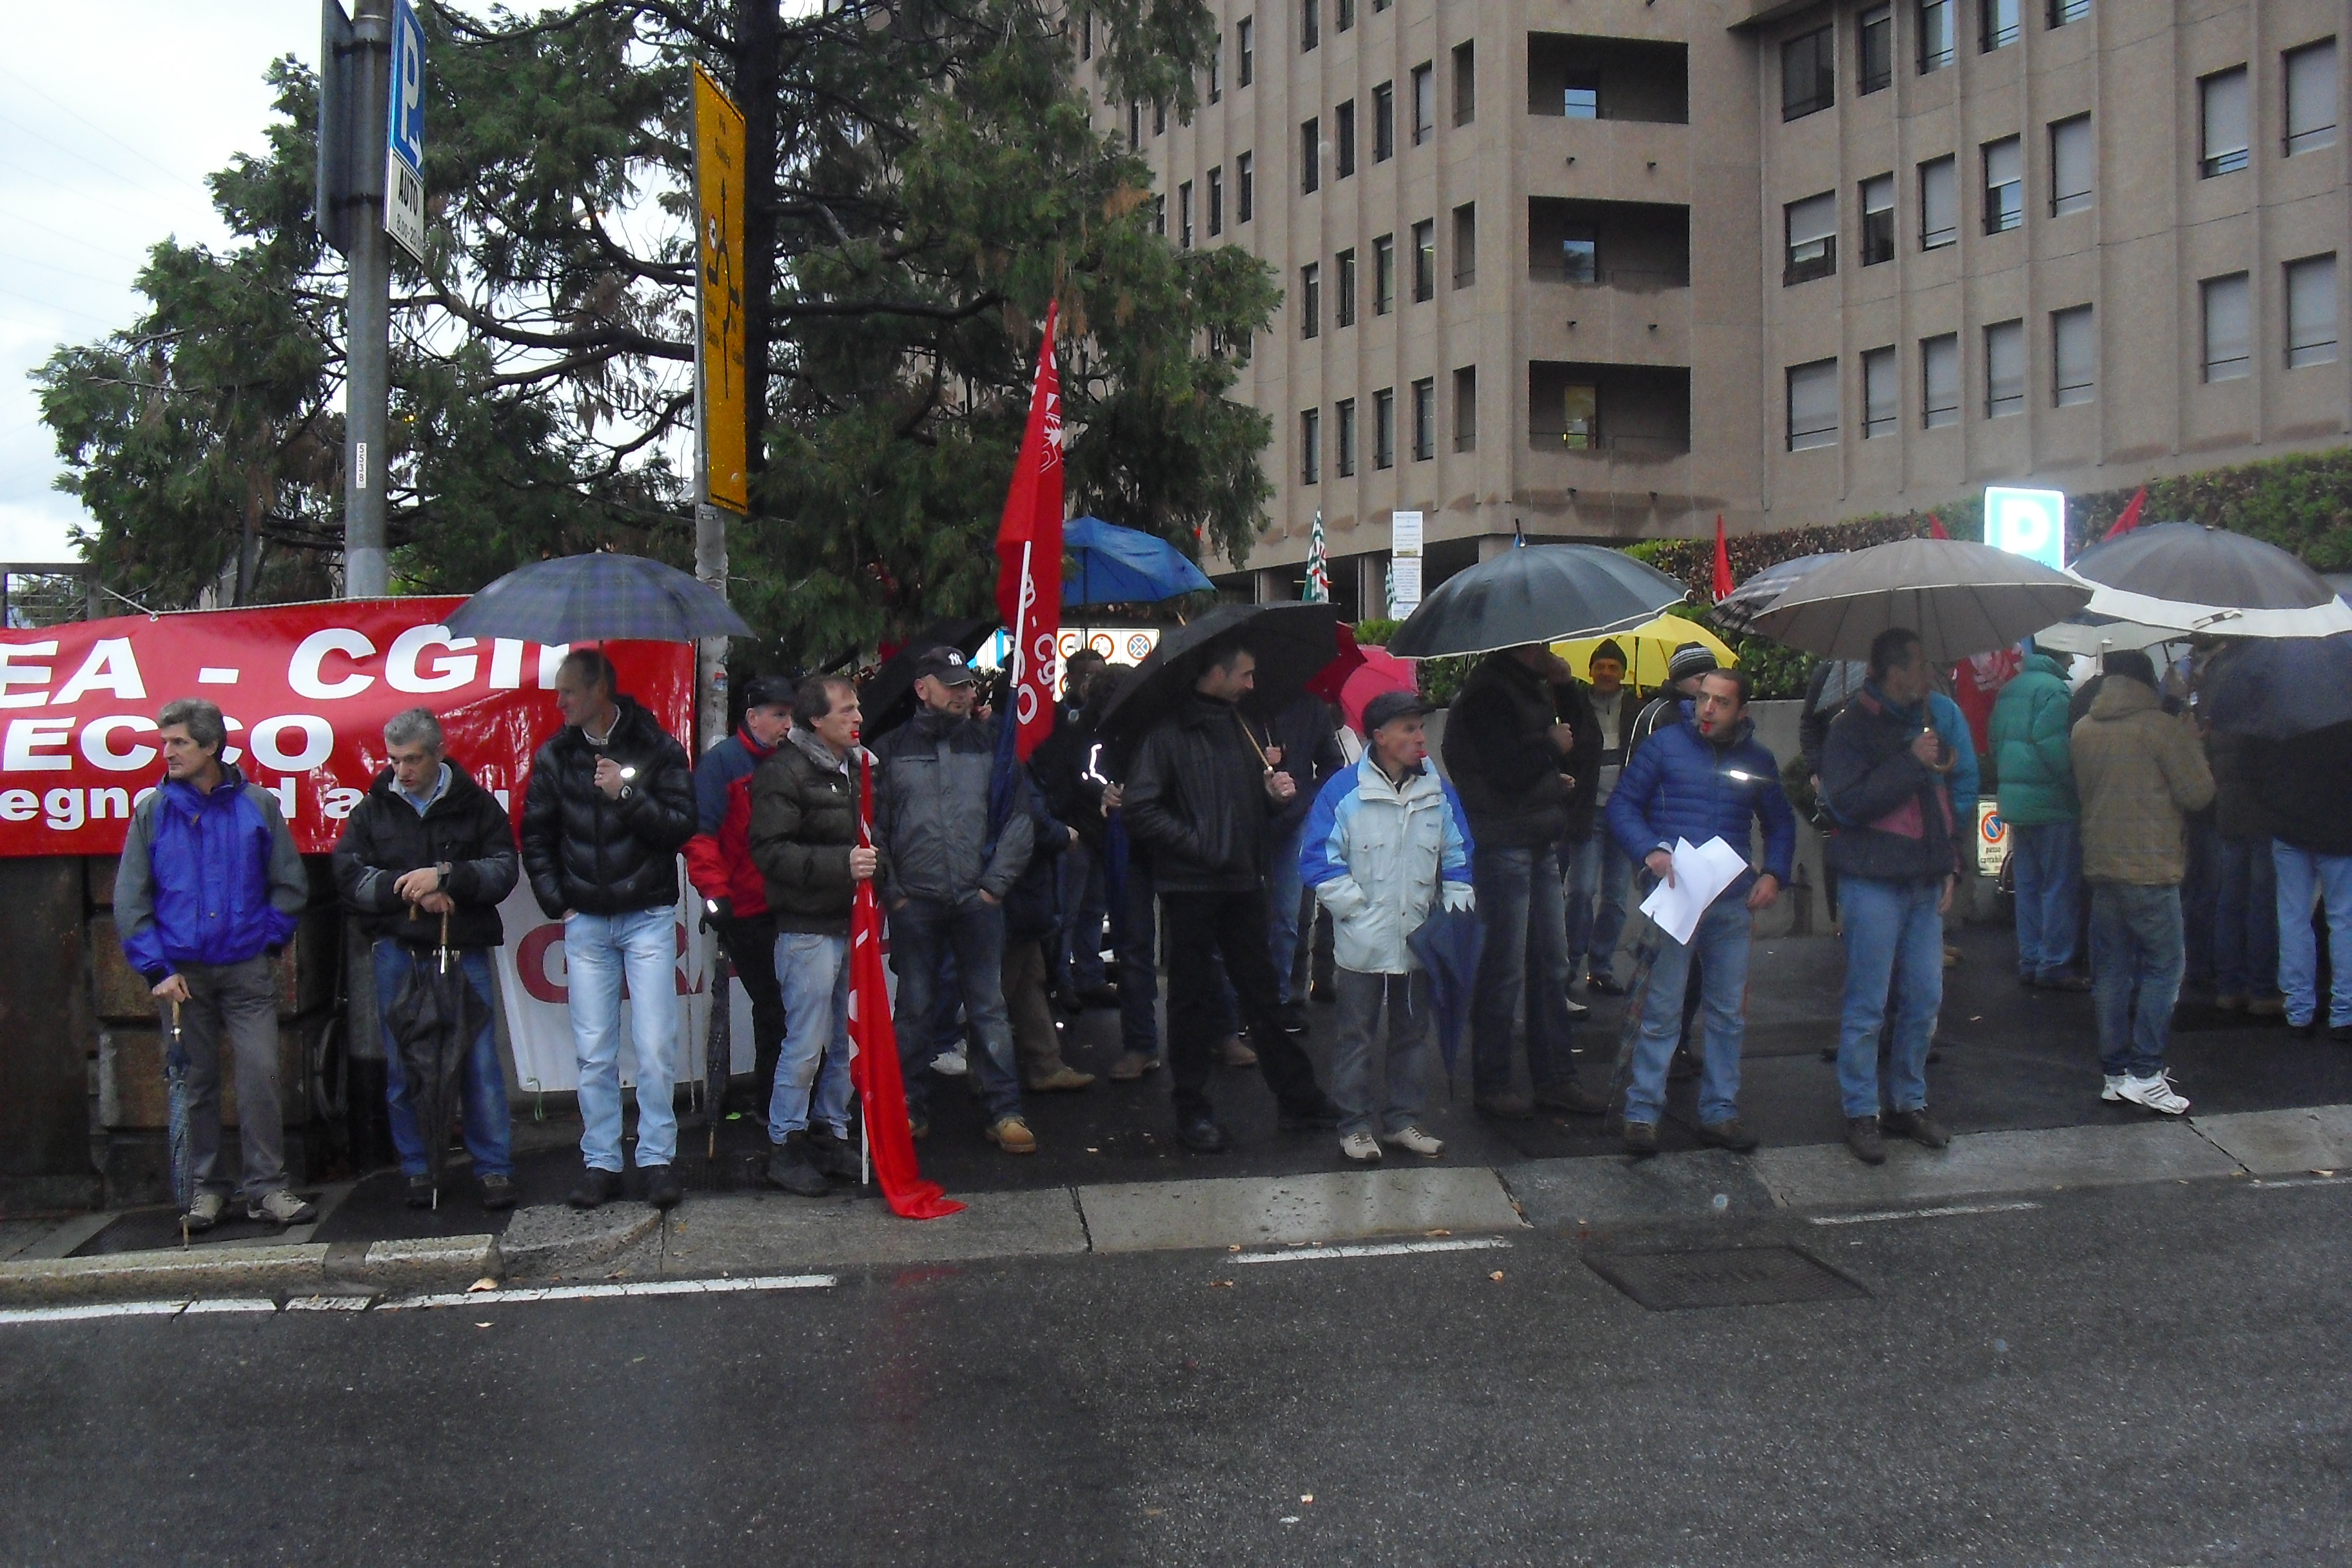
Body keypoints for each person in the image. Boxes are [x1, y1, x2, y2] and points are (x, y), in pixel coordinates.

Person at [1124, 633, 1341, 1151]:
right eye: (1243, 673)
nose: (1251, 683)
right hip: (1192, 885)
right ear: (1215, 674)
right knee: (1190, 999)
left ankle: (1297, 1096)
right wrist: (1199, 842)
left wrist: (1269, 797)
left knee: (1262, 993)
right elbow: (1141, 808)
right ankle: (1192, 1108)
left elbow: (1246, 803)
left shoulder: (1242, 727)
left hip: (1243, 878)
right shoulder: (1167, 735)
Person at [115, 698, 314, 1231]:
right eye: (164, 742)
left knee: (261, 1075)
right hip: (182, 974)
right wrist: (156, 969)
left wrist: (267, 943)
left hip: (245, 967)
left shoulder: (256, 804)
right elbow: (131, 900)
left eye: (179, 742)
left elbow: (290, 884)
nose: (167, 752)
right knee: (195, 1082)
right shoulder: (151, 811)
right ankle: (206, 1190)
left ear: (210, 746)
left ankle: (267, 1188)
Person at [521, 648, 698, 1211]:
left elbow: (679, 827)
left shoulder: (656, 747)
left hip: (646, 915)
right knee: (595, 1051)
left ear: (599, 690)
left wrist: (625, 793)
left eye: (568, 691)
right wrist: (558, 902)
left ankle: (656, 1160)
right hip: (588, 920)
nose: (559, 701)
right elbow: (537, 836)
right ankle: (600, 1161)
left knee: (653, 1046)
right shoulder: (555, 757)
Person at [332, 707, 521, 1210]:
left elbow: (504, 870)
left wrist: (446, 877)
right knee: (404, 1066)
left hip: (463, 950)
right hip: (399, 950)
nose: (402, 771)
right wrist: (409, 891)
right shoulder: (373, 809)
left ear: (440, 753)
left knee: (479, 1063)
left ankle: (494, 1169)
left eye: (412, 759)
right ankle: (418, 1168)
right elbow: (347, 876)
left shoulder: (475, 804)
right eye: (394, 760)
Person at [1606, 667, 1795, 1155]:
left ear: (1742, 711)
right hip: (1681, 892)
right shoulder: (1665, 745)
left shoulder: (1755, 759)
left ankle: (1715, 1113)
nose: (1707, 709)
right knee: (1666, 1008)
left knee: (1726, 1012)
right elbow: (1623, 805)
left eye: (1721, 702)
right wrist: (1650, 850)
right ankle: (1644, 1112)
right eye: (1704, 699)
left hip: (1727, 898)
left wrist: (1774, 873)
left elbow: (1779, 822)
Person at [870, 647, 1037, 1153]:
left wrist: (993, 886)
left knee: (988, 1007)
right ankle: (908, 1106)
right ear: (922, 689)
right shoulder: (889, 749)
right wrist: (894, 893)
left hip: (976, 897)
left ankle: (1004, 1110)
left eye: (966, 684)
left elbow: (1020, 820)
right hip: (917, 901)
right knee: (916, 1010)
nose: (964, 693)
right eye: (952, 685)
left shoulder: (994, 746)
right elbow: (872, 829)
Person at [1298, 691, 1472, 1162]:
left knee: (1413, 1035)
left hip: (1418, 936)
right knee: (1356, 1035)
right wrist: (1356, 911)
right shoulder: (1342, 791)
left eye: (1420, 728)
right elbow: (1316, 859)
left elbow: (1458, 851)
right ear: (1380, 737)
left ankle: (1402, 1120)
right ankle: (1353, 1124)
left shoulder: (1438, 791)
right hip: (1363, 942)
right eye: (1410, 729)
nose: (1421, 738)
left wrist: (1455, 900)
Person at [1442, 643, 1605, 1119]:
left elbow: (1583, 743)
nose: (1548, 645)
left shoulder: (1531, 688)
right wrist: (1550, 749)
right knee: (1505, 967)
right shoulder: (1487, 695)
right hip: (1504, 842)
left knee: (1551, 964)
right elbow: (1504, 768)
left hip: (1535, 837)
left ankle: (1555, 1076)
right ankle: (1494, 1081)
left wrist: (1566, 687)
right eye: (1541, 640)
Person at [1819, 629, 1961, 1164]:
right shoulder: (1850, 729)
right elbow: (1849, 804)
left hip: (1921, 879)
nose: (1928, 676)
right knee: (1868, 1003)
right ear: (1895, 671)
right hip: (1873, 879)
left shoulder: (1919, 724)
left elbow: (1936, 807)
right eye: (1922, 666)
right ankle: (1861, 1110)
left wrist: (1950, 861)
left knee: (1924, 999)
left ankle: (1907, 1100)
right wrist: (1910, 763)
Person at [2070, 649, 2215, 1112]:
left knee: (2111, 972)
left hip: (2101, 863)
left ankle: (2114, 1073)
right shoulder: (2161, 729)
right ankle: (2147, 1071)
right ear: (2147, 680)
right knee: (2164, 967)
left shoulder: (2083, 729)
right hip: (2151, 867)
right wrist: (2190, 740)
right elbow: (2198, 794)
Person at [744, 674, 872, 1194]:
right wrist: (842, 864)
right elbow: (770, 852)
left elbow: (867, 840)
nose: (858, 717)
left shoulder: (856, 771)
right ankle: (785, 1141)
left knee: (844, 1039)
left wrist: (870, 868)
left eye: (858, 708)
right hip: (806, 928)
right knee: (805, 1042)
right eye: (846, 710)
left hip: (850, 923)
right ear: (816, 720)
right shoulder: (784, 773)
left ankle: (829, 1129)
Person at [685, 674, 797, 1114]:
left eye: (791, 715)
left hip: (789, 905)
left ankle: (780, 1104)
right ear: (752, 718)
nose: (788, 724)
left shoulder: (791, 760)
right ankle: (775, 1108)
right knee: (775, 1008)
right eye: (779, 716)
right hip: (747, 910)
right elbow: (701, 835)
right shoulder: (722, 765)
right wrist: (716, 894)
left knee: (786, 1011)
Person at [1989, 643, 2089, 990]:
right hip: (2052, 804)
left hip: (2016, 803)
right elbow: (2054, 746)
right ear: (2059, 654)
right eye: (2071, 654)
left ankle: (2029, 958)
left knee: (2028, 885)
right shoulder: (2054, 691)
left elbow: (1995, 740)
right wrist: (2074, 784)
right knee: (2058, 885)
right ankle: (2054, 963)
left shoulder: (2009, 690)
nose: (2075, 660)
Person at [1248, 687, 1347, 1033]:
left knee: (1287, 914)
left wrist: (1306, 797)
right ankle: (1243, 1001)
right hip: (1245, 817)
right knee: (1248, 914)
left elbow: (1332, 763)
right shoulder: (1240, 708)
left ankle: (1278, 999)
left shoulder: (1310, 707)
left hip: (1293, 819)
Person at [2259, 721, 2352, 1043]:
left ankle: (2299, 1010)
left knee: (2294, 918)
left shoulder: (2286, 720)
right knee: (2343, 921)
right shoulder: (2344, 719)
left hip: (2290, 829)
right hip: (2340, 832)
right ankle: (2345, 1012)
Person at [2204, 660, 2283, 1017]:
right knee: (2262, 904)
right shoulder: (2265, 720)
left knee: (2229, 900)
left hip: (2228, 811)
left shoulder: (2220, 716)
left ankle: (2229, 986)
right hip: (2264, 813)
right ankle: (2263, 989)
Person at [1567, 639, 1634, 994]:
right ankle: (1570, 964)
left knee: (1616, 897)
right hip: (1587, 812)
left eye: (1614, 667)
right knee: (1580, 891)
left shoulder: (1638, 711)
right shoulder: (1575, 709)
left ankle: (1602, 967)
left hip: (1624, 817)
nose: (1607, 673)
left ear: (1625, 673)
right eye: (1601, 666)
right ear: (1590, 671)